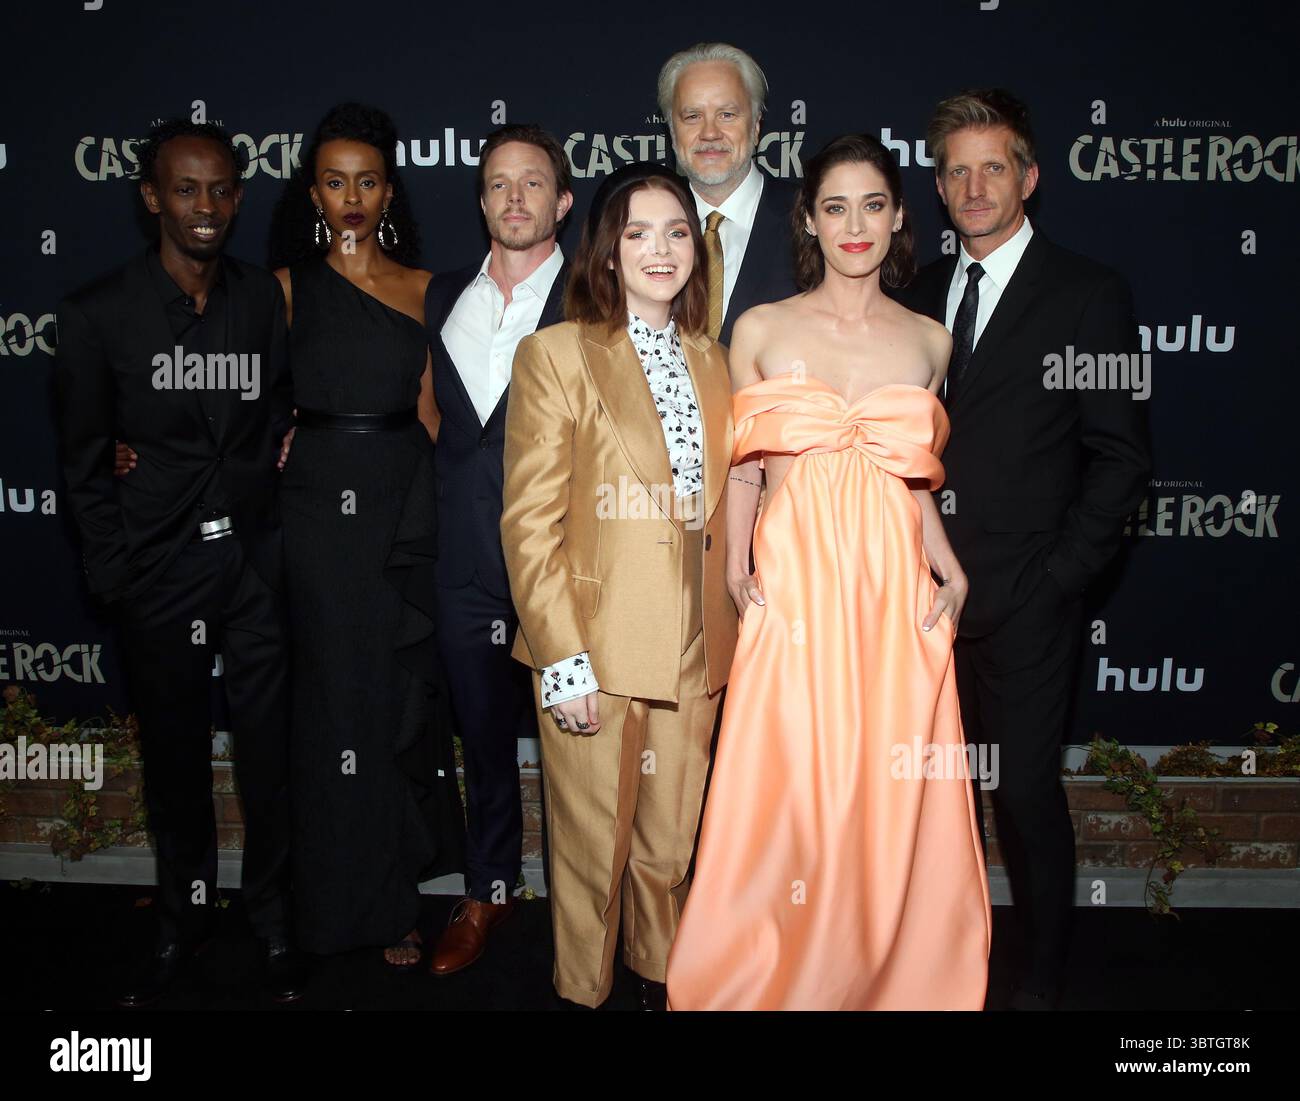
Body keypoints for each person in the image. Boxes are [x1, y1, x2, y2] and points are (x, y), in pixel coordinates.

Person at [666, 134, 991, 1011]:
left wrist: (949, 572)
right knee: (792, 792)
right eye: (836, 207)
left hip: (892, 594)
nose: (856, 225)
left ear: (897, 220)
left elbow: (909, 472)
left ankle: (888, 978)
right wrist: (737, 572)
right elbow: (744, 469)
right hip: (796, 591)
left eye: (873, 206)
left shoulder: (930, 340)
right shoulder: (764, 327)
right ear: (808, 219)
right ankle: (777, 976)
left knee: (886, 794)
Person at [896, 90, 1150, 1010]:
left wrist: (1058, 581)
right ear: (937, 184)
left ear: (1030, 177)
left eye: (992, 166)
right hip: (914, 597)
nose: (973, 186)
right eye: (956, 169)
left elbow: (1121, 459)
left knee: (1026, 797)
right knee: (925, 797)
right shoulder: (916, 291)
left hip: (1028, 603)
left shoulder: (1090, 293)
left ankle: (1041, 975)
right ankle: (932, 960)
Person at [56, 120, 305, 1005]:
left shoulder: (258, 300)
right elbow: (83, 462)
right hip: (159, 573)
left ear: (239, 197)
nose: (207, 207)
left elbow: (274, 410)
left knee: (270, 752)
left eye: (223, 189)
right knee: (173, 762)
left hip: (251, 566)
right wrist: (115, 573)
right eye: (188, 190)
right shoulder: (96, 316)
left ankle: (274, 914)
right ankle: (183, 917)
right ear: (152, 197)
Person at [501, 163, 738, 1010]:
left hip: (694, 649)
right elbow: (530, 525)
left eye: (677, 230)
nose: (660, 248)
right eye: (637, 231)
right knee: (590, 853)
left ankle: (655, 980)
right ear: (607, 250)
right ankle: (580, 993)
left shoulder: (718, 360)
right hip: (594, 646)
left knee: (669, 851)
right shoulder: (557, 353)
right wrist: (565, 662)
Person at [268, 103, 463, 966]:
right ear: (314, 192)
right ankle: (321, 901)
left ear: (389, 190)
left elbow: (431, 419)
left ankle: (393, 906)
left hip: (397, 507)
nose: (352, 196)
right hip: (313, 510)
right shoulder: (283, 289)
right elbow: (252, 408)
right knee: (325, 707)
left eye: (369, 179)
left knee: (391, 709)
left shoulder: (425, 290)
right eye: (335, 180)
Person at [421, 125, 571, 977]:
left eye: (532, 183)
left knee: (575, 751)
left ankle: (586, 910)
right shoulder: (443, 295)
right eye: (498, 184)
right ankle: (487, 888)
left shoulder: (591, 299)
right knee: (481, 742)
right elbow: (430, 420)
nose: (514, 198)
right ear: (480, 199)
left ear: (561, 200)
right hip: (465, 568)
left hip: (557, 569)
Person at [657, 42, 798, 346]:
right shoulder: (636, 229)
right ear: (671, 130)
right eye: (692, 116)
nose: (709, 133)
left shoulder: (810, 220)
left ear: (757, 126)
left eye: (727, 114)